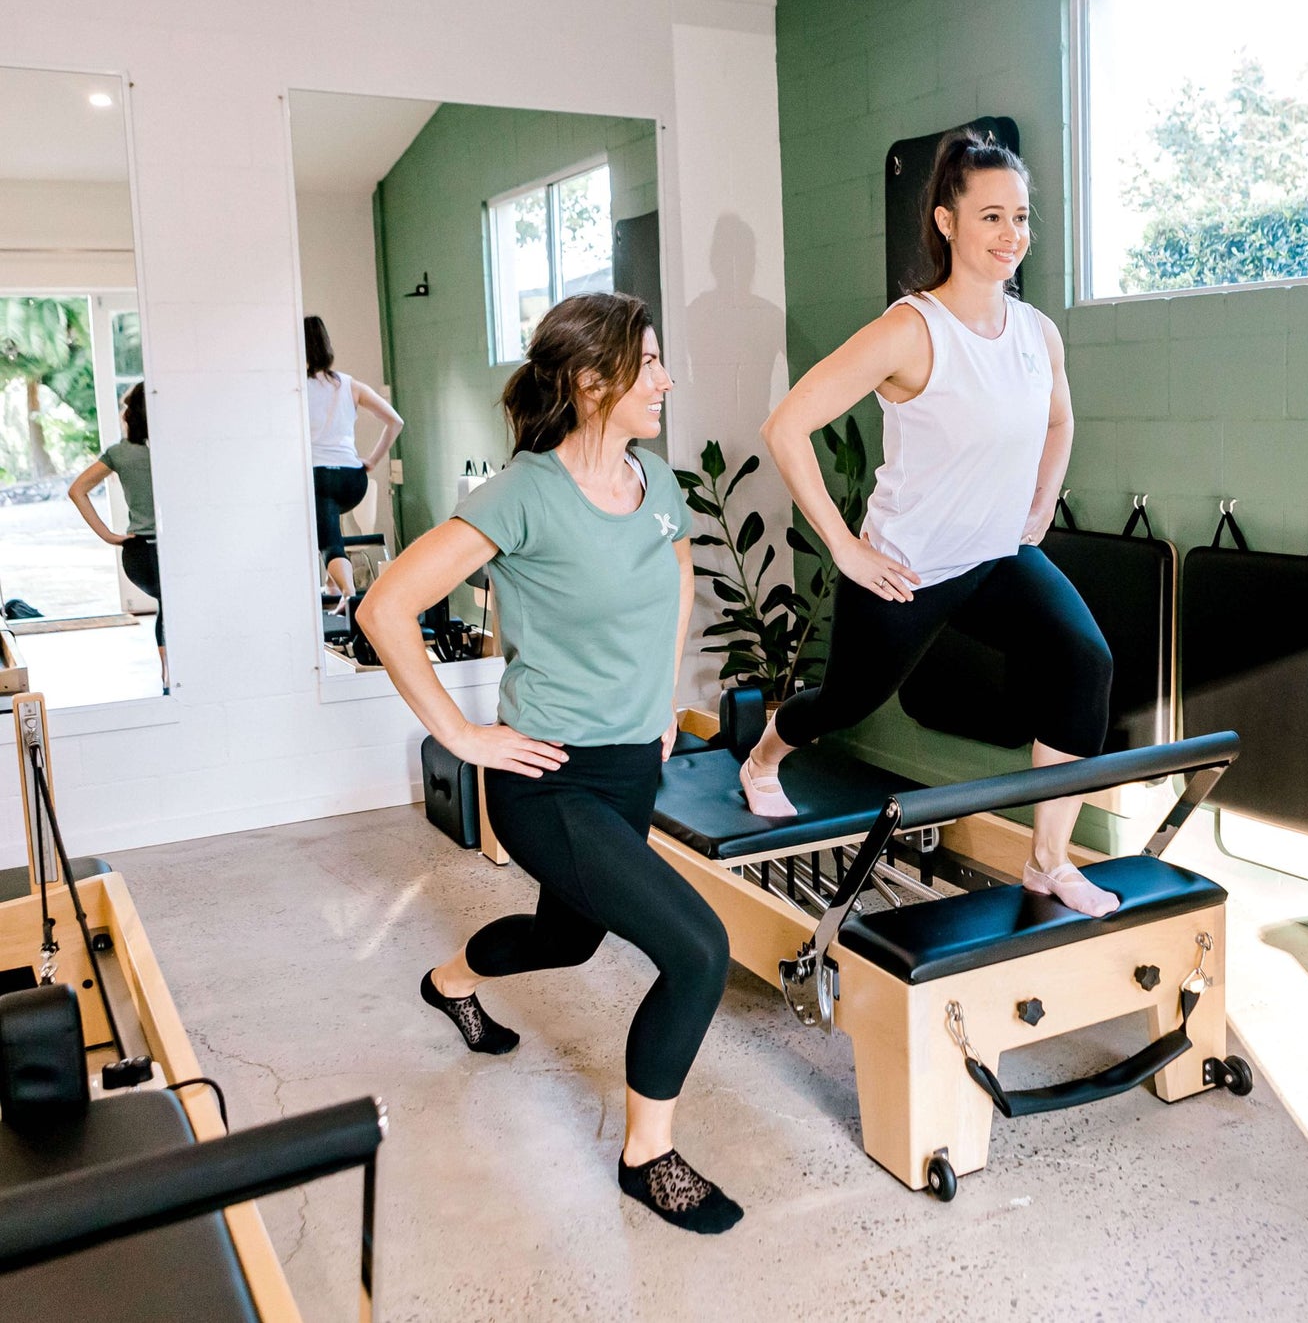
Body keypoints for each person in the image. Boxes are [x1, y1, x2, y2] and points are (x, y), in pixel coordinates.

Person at [356, 291, 739, 1234]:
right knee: (698, 952)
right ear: (592, 381)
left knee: (568, 939)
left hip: (628, 767)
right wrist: (464, 735)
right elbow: (385, 607)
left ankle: (449, 983)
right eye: (648, 364)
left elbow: (678, 575)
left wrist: (660, 704)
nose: (666, 378)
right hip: (546, 779)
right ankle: (647, 1158)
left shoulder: (654, 481)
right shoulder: (523, 492)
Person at [746, 131, 1118, 918]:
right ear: (947, 223)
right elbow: (787, 426)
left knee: (1084, 660)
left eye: (1021, 216)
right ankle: (765, 756)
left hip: (994, 559)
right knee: (844, 705)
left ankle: (1048, 862)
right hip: (908, 568)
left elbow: (1060, 421)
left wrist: (1045, 497)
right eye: (991, 216)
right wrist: (844, 548)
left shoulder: (1036, 333)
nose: (1012, 233)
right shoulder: (910, 331)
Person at [67, 383, 165, 683]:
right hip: (161, 549)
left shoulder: (120, 453)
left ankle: (168, 675)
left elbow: (77, 490)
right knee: (174, 606)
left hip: (136, 554)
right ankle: (171, 675)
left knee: (168, 605)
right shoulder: (175, 449)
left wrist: (109, 536)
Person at [304, 315, 404, 607]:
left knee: (331, 545)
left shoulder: (295, 387)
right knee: (331, 523)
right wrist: (372, 460)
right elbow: (395, 421)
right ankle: (332, 586)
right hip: (352, 479)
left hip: (318, 477)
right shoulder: (349, 384)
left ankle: (349, 595)